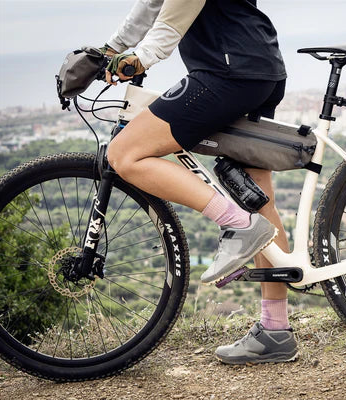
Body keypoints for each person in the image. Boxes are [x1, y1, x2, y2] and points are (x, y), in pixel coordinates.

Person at [102, 0, 297, 364]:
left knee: (124, 154)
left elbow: (174, 13)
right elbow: (154, 3)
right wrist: (110, 48)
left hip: (228, 71)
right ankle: (276, 331)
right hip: (258, 67)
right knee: (257, 199)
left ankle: (237, 224)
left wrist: (139, 58)